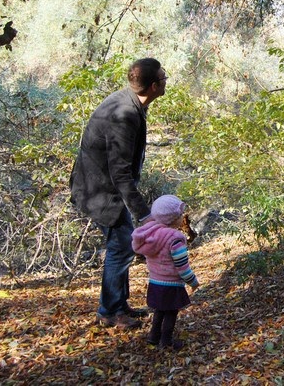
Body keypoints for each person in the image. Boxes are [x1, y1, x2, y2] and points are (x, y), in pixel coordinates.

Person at [69, 58, 168, 329]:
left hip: (102, 187)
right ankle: (110, 311)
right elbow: (120, 173)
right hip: (98, 191)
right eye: (163, 77)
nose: (166, 81)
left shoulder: (131, 102)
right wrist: (145, 215)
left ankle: (119, 305)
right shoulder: (124, 114)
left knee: (123, 244)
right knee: (122, 245)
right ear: (154, 86)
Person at [131, 195, 199, 350]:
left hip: (155, 282)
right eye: (180, 215)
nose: (183, 217)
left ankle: (153, 337)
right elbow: (182, 266)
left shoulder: (151, 234)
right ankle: (166, 341)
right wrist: (193, 281)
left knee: (160, 311)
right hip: (171, 284)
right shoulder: (175, 238)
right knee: (171, 313)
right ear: (172, 219)